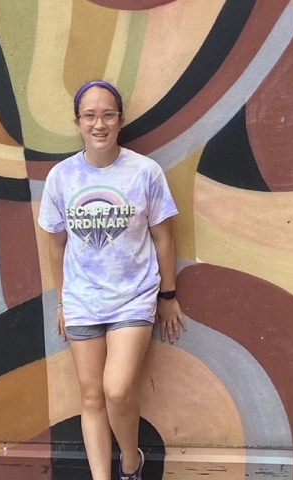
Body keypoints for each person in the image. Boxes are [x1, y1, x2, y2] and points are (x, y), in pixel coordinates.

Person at [38, 80, 186, 480]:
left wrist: (168, 296)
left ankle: (131, 461)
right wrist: (64, 302)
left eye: (107, 115)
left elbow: (163, 236)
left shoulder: (145, 172)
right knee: (91, 396)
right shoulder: (61, 177)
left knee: (117, 390)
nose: (98, 124)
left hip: (133, 298)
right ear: (78, 122)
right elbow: (55, 245)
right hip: (84, 299)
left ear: (120, 120)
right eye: (90, 116)